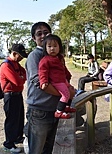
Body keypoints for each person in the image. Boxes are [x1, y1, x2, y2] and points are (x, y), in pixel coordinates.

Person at [25, 22, 75, 154]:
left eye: (46, 32)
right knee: (36, 150)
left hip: (54, 109)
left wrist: (68, 88)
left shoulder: (56, 56)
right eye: (39, 34)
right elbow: (39, 83)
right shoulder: (34, 56)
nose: (43, 36)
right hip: (39, 111)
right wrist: (65, 94)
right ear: (33, 38)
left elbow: (63, 76)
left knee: (50, 148)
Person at [38, 34, 76, 119]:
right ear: (45, 48)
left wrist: (68, 75)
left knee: (72, 91)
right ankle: (58, 112)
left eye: (55, 46)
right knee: (66, 94)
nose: (52, 48)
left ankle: (66, 107)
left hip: (63, 80)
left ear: (59, 47)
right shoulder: (45, 60)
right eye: (49, 46)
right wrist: (43, 82)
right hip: (56, 81)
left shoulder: (60, 58)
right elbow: (42, 71)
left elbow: (63, 68)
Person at [0, 44, 27, 153]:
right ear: (14, 54)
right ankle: (8, 143)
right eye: (20, 56)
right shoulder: (6, 66)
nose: (21, 59)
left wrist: (21, 78)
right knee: (11, 120)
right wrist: (20, 78)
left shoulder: (16, 64)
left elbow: (24, 74)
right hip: (10, 95)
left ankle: (18, 137)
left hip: (17, 94)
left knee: (19, 117)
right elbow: (17, 81)